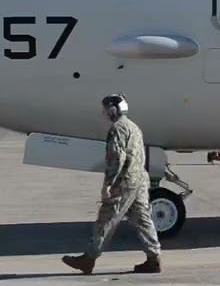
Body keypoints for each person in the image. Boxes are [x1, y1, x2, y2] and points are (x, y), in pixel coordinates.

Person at [62, 93, 163, 275]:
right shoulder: (133, 127)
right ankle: (154, 258)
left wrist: (108, 184)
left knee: (107, 218)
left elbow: (117, 158)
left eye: (106, 109)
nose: (104, 113)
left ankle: (89, 258)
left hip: (125, 180)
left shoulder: (117, 129)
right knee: (142, 219)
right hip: (139, 179)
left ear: (113, 109)